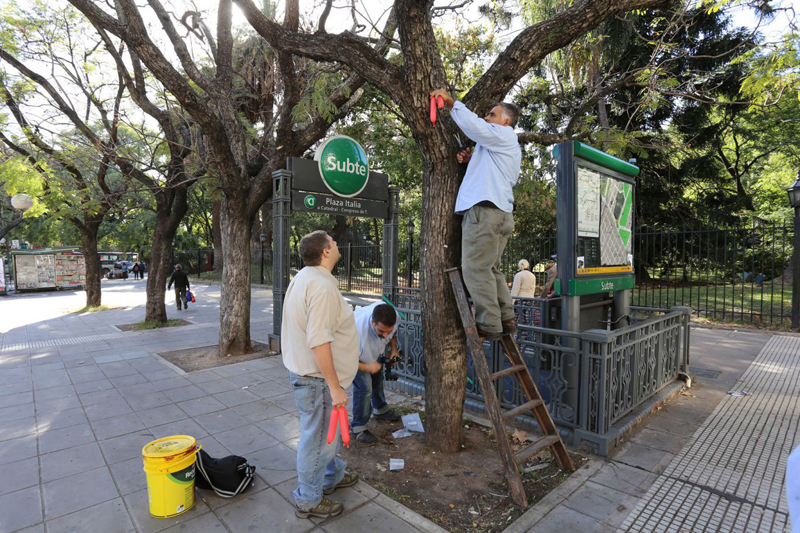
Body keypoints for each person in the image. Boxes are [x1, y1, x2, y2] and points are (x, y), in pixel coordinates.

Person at [431, 88, 522, 341]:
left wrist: (451, 103)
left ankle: (488, 324)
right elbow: (490, 169)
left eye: (492, 115)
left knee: (475, 270)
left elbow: (475, 127)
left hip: (484, 212)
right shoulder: (505, 146)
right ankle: (507, 318)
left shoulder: (502, 134)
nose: (486, 118)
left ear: (506, 121)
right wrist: (472, 159)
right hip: (501, 213)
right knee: (491, 269)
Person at [281, 230, 360, 519]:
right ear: (326, 251)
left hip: (309, 377)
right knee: (317, 442)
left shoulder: (304, 278)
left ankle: (333, 474)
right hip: (318, 381)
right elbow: (318, 340)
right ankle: (309, 499)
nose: (338, 244)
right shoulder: (321, 287)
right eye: (334, 242)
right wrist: (335, 386)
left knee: (324, 438)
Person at [350, 302, 402, 445]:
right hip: (354, 356)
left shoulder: (393, 316)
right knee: (364, 387)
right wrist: (367, 368)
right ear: (373, 322)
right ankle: (358, 427)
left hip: (372, 352)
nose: (385, 335)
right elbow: (345, 360)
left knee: (378, 379)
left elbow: (392, 333)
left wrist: (394, 350)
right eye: (381, 331)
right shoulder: (355, 330)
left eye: (388, 331)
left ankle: (380, 410)